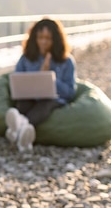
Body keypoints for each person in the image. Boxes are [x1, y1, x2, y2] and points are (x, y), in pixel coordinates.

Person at [5, 17, 77, 151]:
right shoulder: (26, 58)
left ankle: (18, 129)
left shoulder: (67, 61)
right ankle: (23, 135)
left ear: (56, 40)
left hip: (53, 100)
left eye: (48, 38)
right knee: (22, 104)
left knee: (45, 105)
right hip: (30, 97)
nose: (43, 42)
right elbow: (17, 81)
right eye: (40, 37)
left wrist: (50, 77)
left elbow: (71, 92)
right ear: (34, 38)